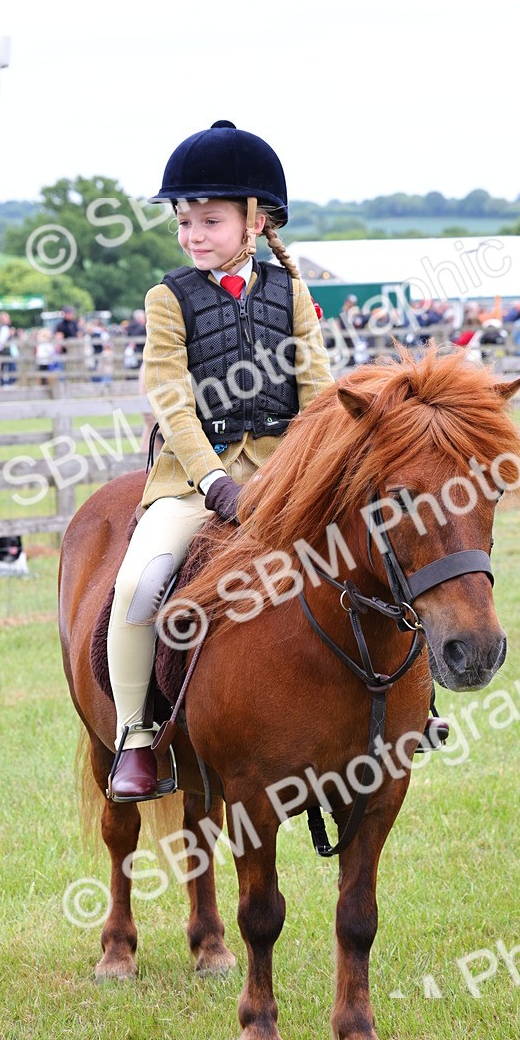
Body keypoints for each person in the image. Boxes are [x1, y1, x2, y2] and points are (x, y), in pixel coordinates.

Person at [106, 119, 335, 801]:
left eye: (208, 220)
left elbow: (318, 388)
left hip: (283, 470)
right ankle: (134, 738)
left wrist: (311, 466)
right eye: (184, 222)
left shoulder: (290, 293)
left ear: (254, 219)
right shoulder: (168, 299)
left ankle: (413, 701)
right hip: (192, 480)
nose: (193, 234)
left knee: (373, 548)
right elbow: (171, 399)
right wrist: (211, 481)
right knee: (138, 586)